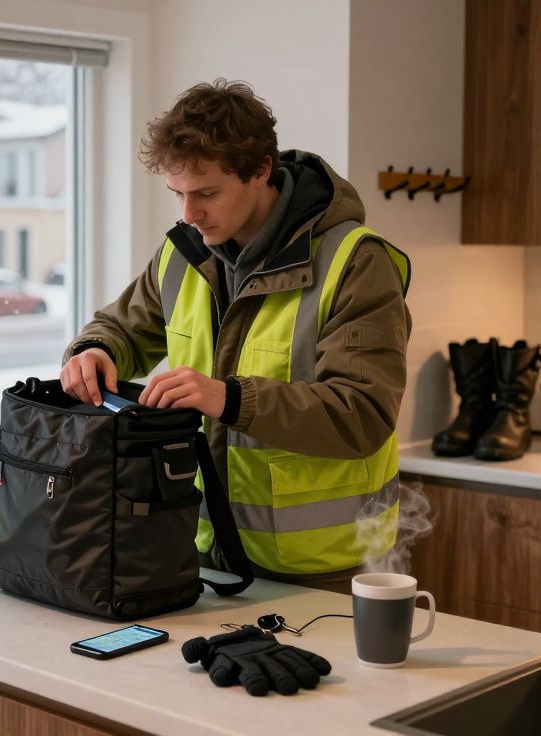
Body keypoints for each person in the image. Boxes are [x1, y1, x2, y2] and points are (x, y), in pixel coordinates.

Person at [60, 79, 411, 591]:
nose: (188, 213)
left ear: (260, 170)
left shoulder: (357, 262)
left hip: (327, 567)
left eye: (206, 193)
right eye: (177, 193)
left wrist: (229, 399)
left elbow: (363, 414)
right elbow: (120, 328)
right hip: (205, 555)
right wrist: (93, 350)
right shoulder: (184, 252)